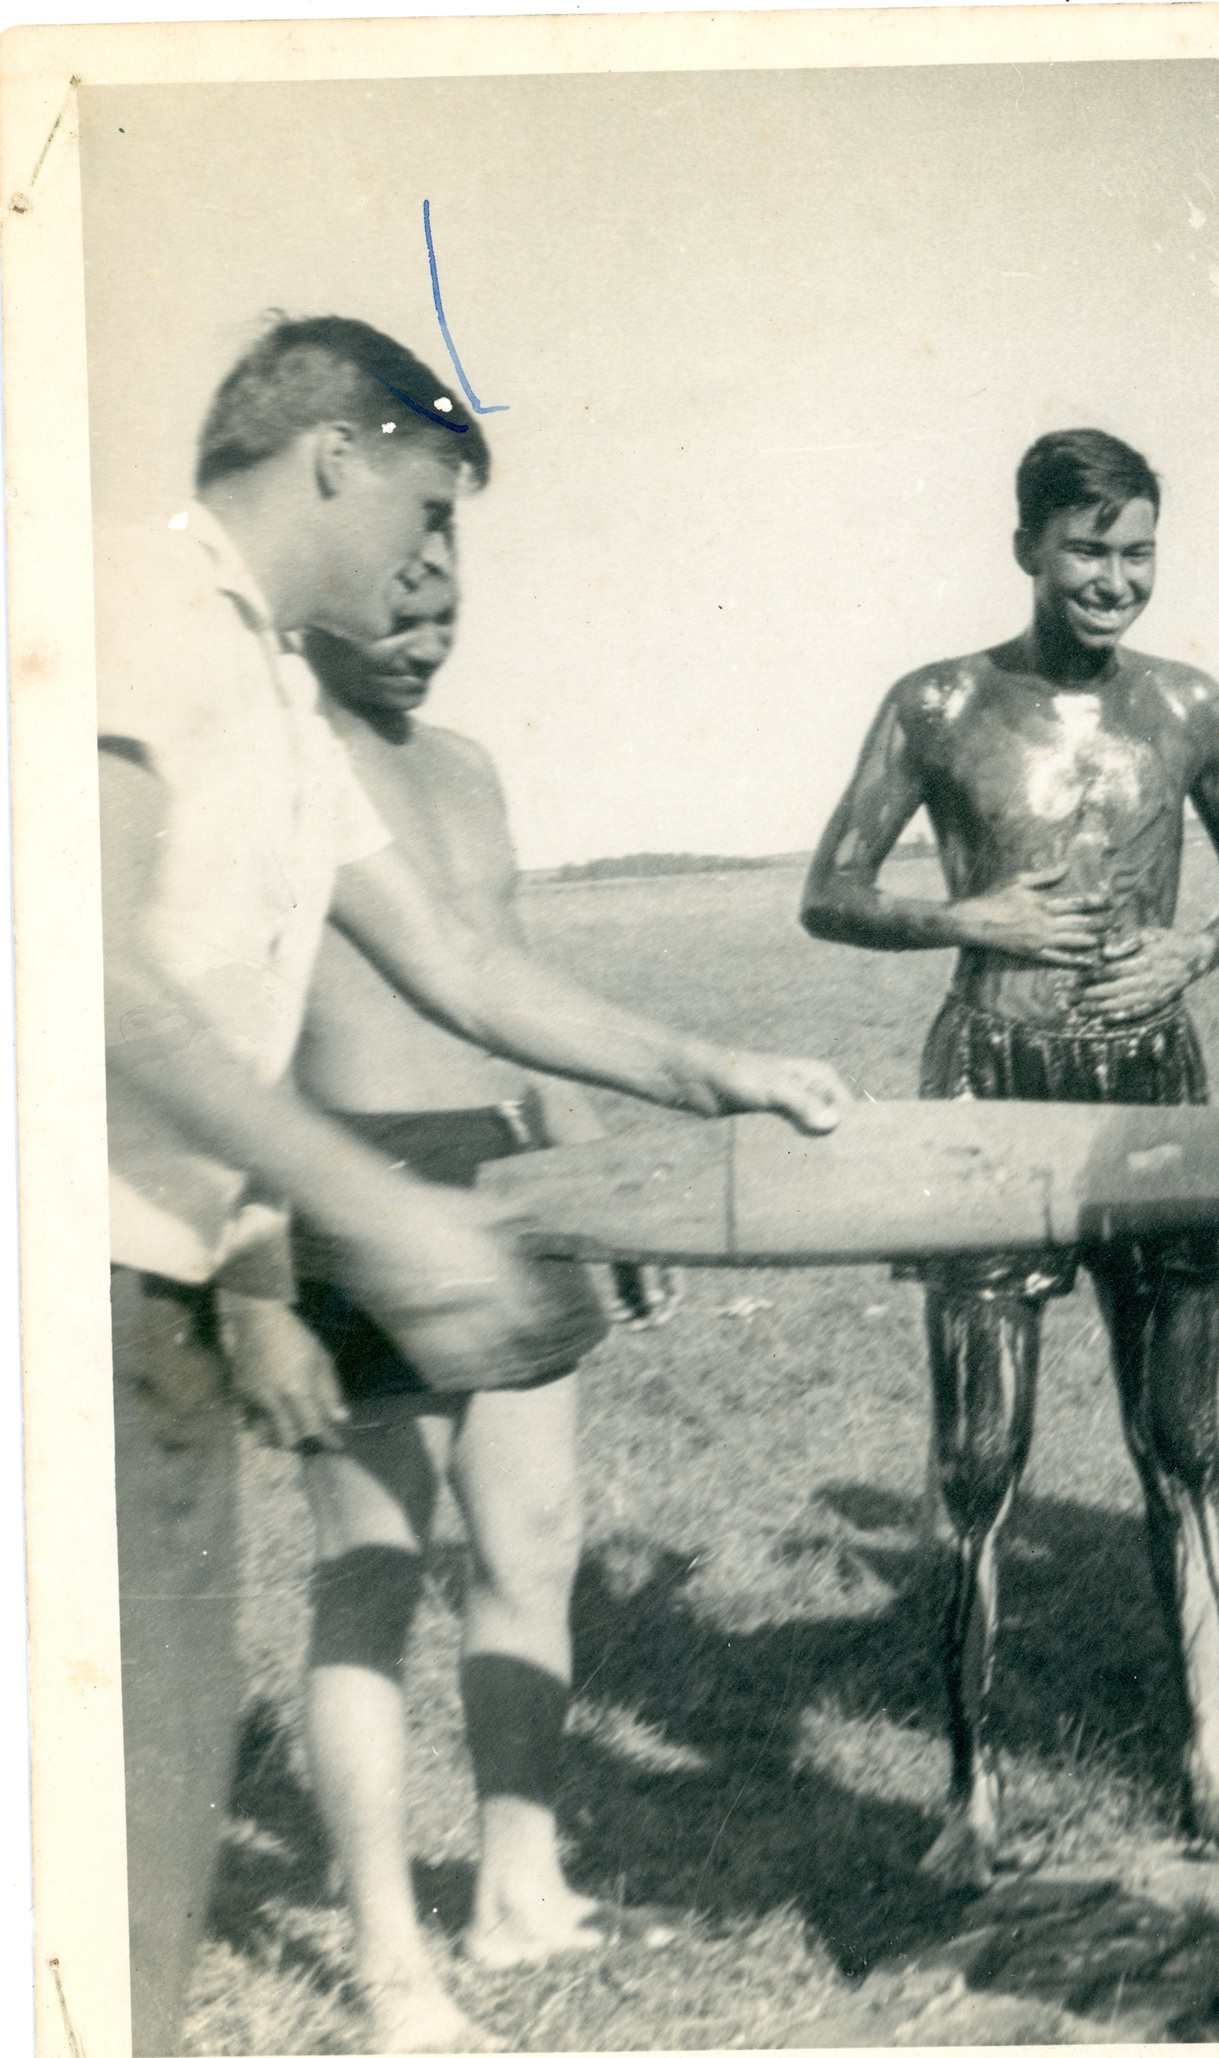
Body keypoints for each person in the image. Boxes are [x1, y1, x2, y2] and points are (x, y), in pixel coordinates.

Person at [100, 316, 848, 2053]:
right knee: (136, 1754)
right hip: (103, 1276)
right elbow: (81, 966)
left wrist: (706, 1072)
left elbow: (461, 963)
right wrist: (350, 1215)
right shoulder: (134, 601)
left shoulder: (269, 689)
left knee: (169, 1749)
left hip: (186, 1268)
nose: (433, 559)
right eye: (426, 506)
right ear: (334, 456)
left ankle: (502, 1896)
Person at [801, 429, 1219, 1879]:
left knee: (1185, 1440)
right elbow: (830, 891)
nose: (1115, 578)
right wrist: (970, 920)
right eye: (1087, 549)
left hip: (1150, 1093)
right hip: (989, 1090)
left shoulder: (1190, 704)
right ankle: (972, 1794)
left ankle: (1212, 1769)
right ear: (1027, 545)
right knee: (978, 1457)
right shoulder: (939, 703)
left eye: (1138, 552)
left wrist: (1195, 950)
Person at [240, 570, 687, 2050]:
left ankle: (518, 1890)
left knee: (534, 1543)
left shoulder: (471, 767)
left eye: (446, 606)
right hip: (351, 1182)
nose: (425, 633)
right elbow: (227, 1030)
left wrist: (593, 1176)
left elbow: (508, 984)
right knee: (371, 1573)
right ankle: (387, 1967)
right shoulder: (276, 760)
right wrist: (259, 1279)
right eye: (399, 605)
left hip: (506, 1173)